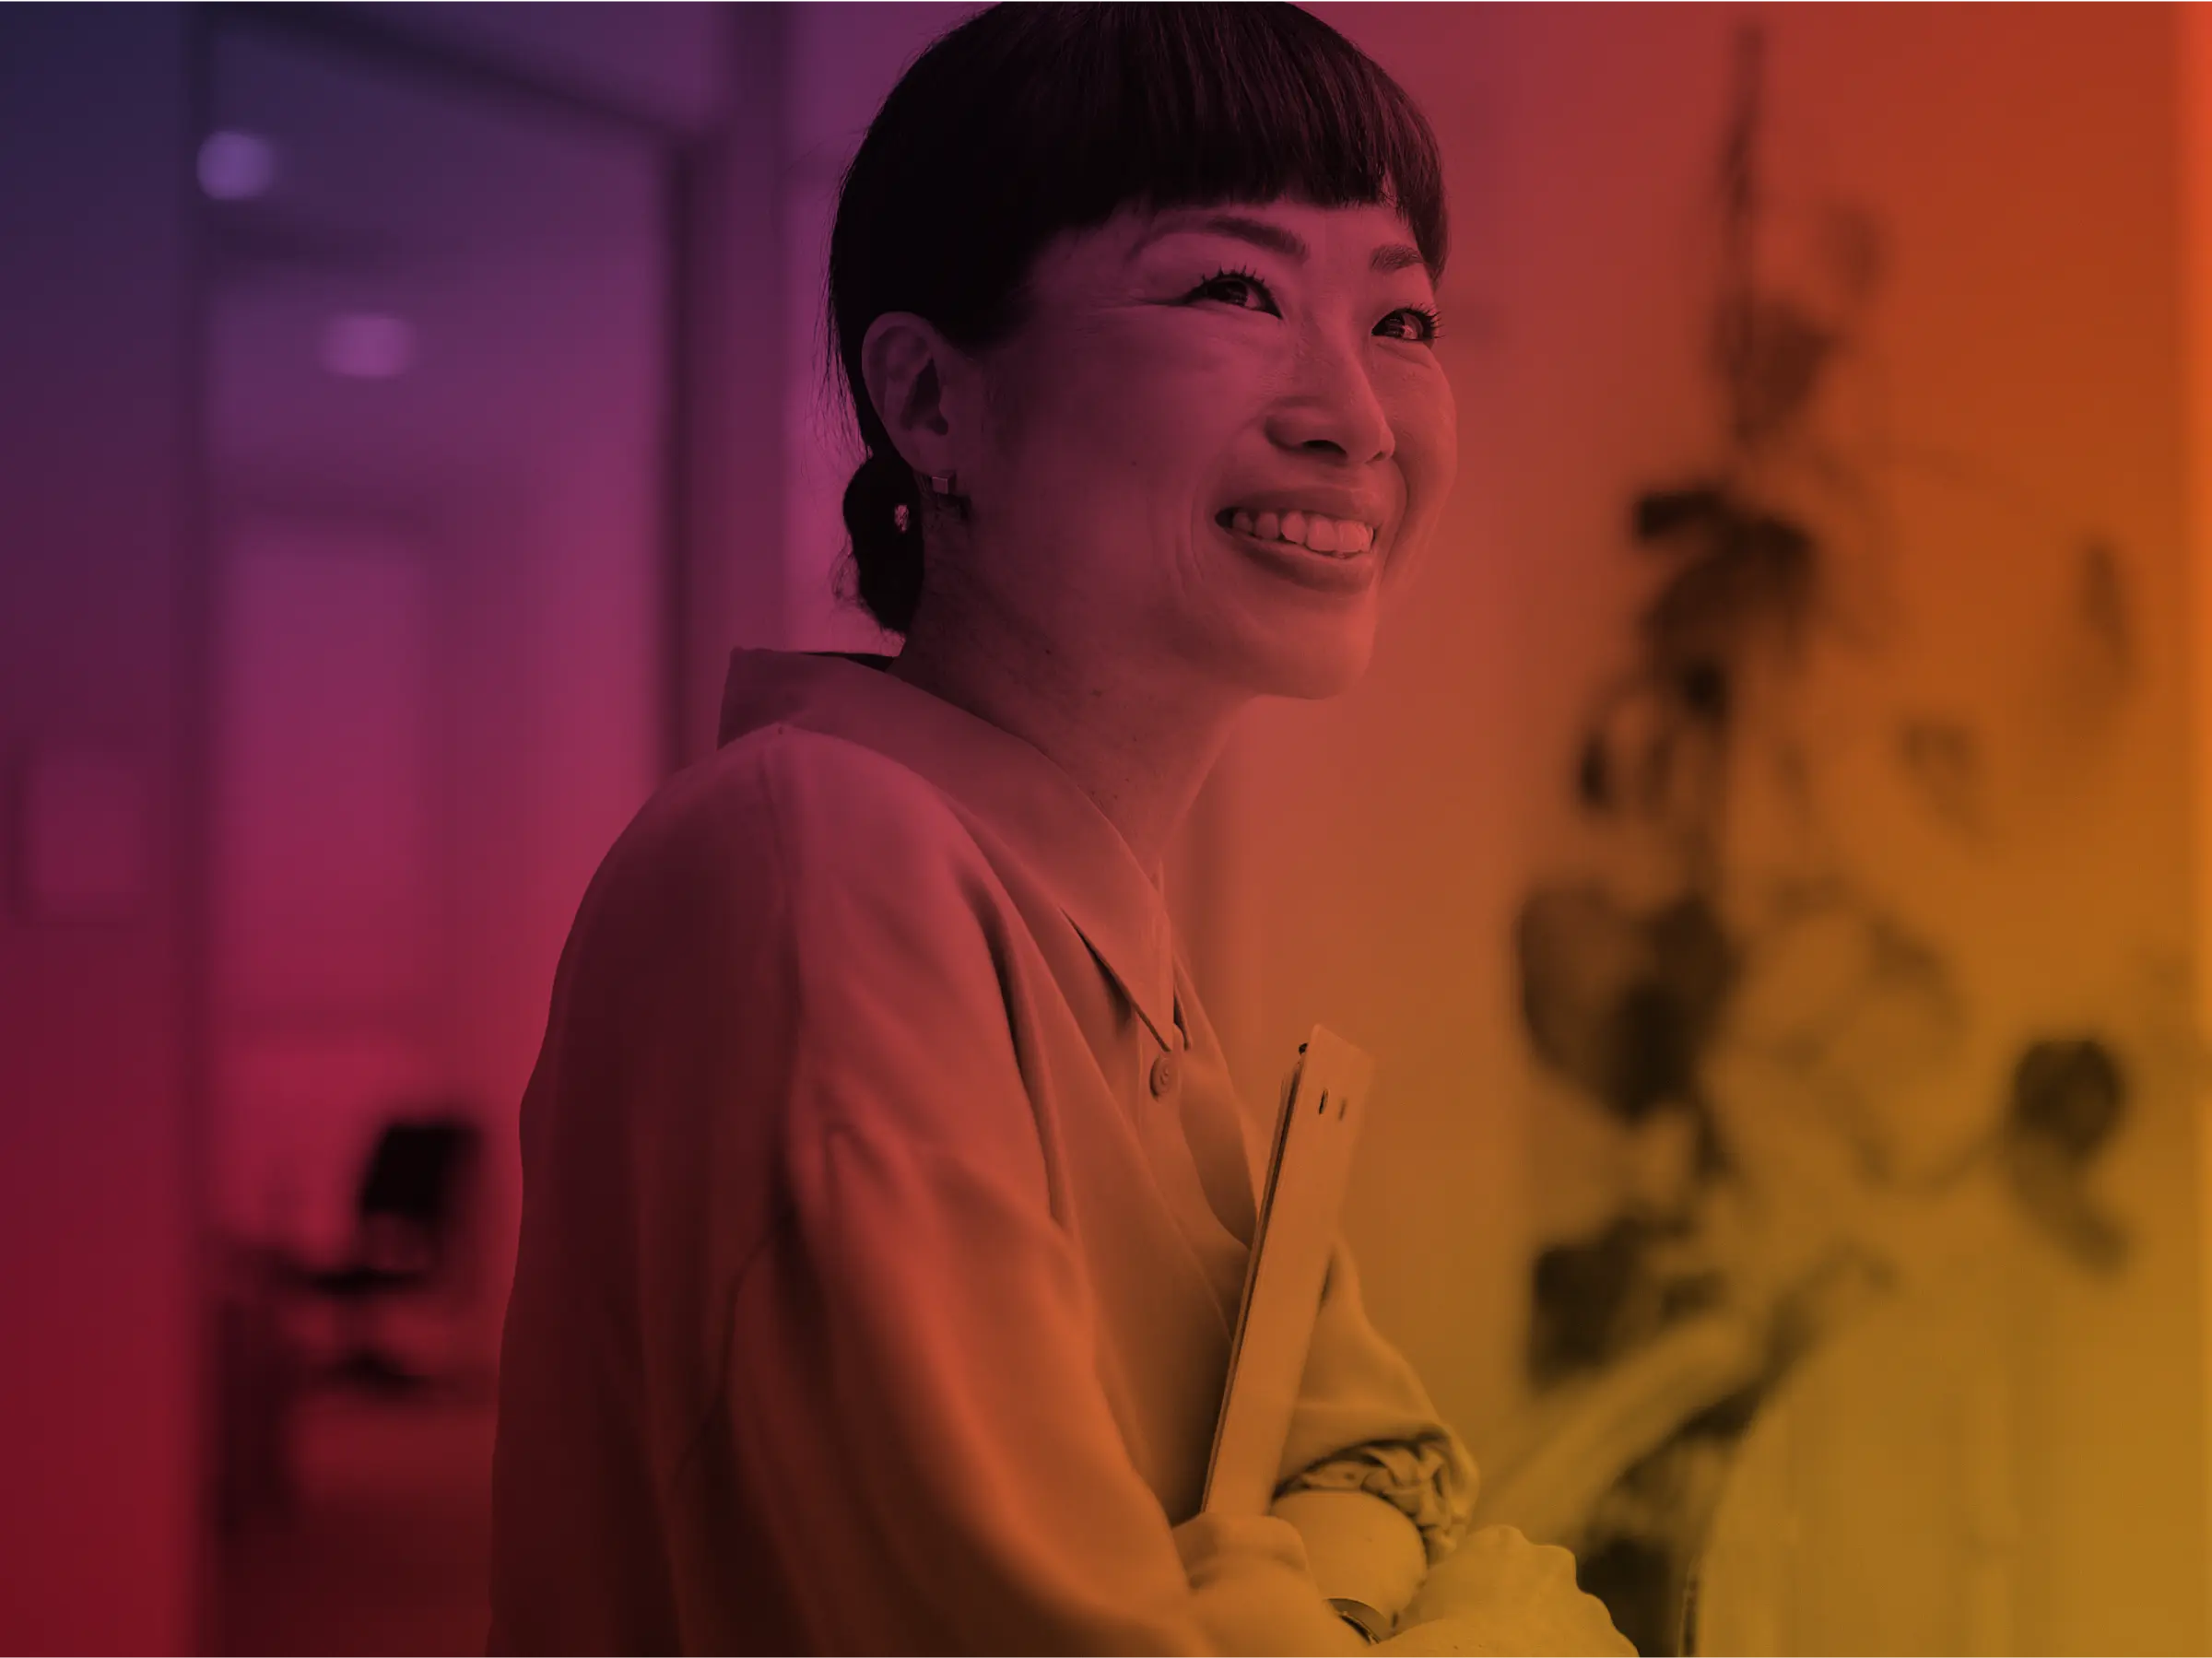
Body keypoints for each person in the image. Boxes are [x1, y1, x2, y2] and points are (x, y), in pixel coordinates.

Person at [487, 2, 1634, 1652]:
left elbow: (1391, 1462)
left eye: (1403, 317)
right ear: (932, 401)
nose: (1359, 418)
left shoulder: (1089, 927)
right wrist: (1501, 1625)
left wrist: (1274, 1585)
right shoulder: (821, 857)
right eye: (1234, 288)